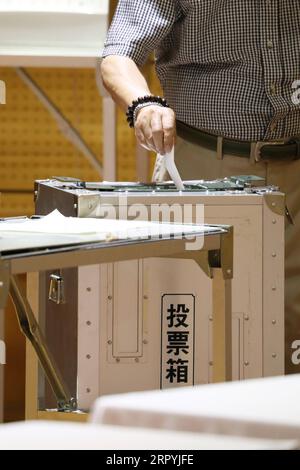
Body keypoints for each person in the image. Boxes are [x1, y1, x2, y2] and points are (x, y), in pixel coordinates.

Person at [101, 0, 300, 374]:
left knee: (291, 327)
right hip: (202, 167)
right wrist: (143, 105)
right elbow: (118, 56)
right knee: (195, 318)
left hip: (296, 171)